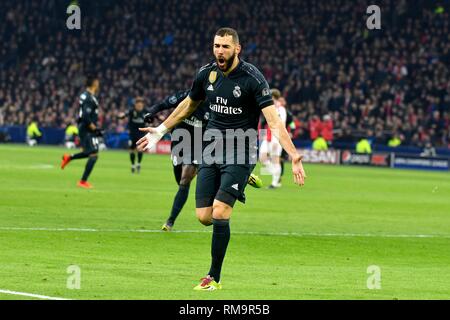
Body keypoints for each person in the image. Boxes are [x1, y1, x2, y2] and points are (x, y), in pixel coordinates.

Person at [137, 28, 306, 291]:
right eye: (216, 46)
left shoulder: (253, 78)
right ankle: (239, 181)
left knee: (220, 211)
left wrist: (293, 155)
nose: (220, 51)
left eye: (225, 47)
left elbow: (273, 120)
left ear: (237, 49)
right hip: (212, 147)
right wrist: (161, 131)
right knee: (204, 217)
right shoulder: (206, 74)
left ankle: (213, 277)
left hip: (241, 149)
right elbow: (187, 105)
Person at [144, 90, 263, 231]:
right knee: (180, 181)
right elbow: (165, 103)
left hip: (200, 144)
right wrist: (151, 112)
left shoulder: (214, 105)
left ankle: (170, 221)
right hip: (179, 143)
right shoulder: (187, 96)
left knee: (185, 179)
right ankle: (238, 173)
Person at [60, 74, 103, 189]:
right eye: (97, 82)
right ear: (94, 84)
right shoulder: (89, 97)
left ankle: (69, 158)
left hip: (85, 127)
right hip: (87, 128)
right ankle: (83, 181)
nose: (98, 84)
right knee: (94, 154)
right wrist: (93, 127)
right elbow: (85, 115)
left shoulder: (85, 95)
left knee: (90, 152)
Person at [118, 96, 149, 174]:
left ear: (142, 105)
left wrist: (159, 117)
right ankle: (132, 165)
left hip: (141, 134)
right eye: (138, 104)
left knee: (140, 149)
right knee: (131, 150)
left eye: (141, 104)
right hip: (132, 133)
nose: (139, 105)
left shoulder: (145, 111)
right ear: (135, 105)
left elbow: (153, 114)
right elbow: (124, 115)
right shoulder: (132, 111)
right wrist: (121, 116)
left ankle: (138, 163)